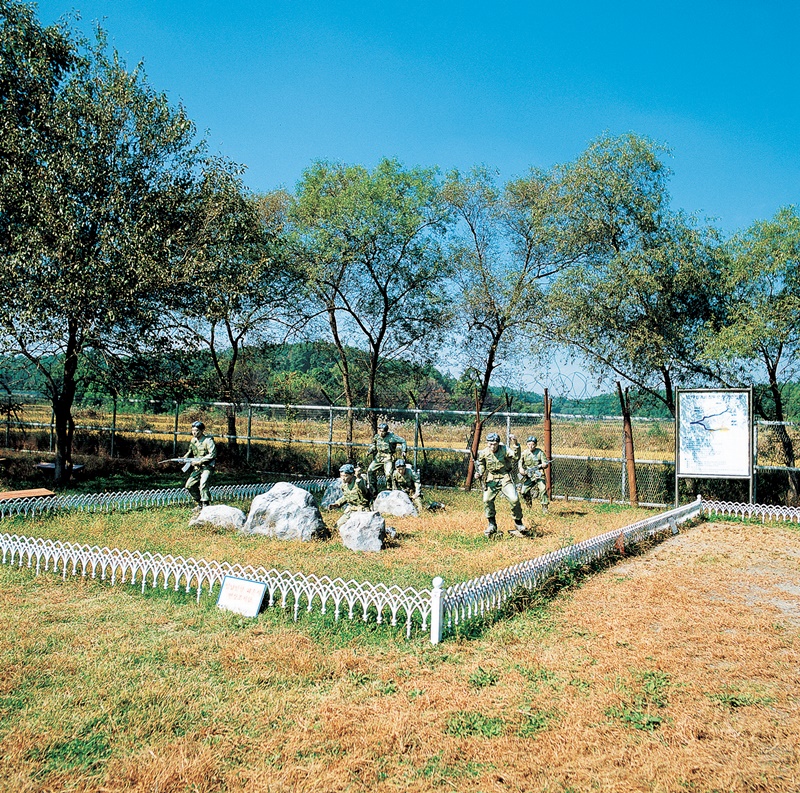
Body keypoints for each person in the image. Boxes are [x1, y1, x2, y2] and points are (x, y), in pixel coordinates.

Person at [475, 432, 527, 538]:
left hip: (504, 478)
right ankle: (492, 524)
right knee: (487, 500)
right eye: (490, 444)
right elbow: (481, 464)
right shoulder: (484, 452)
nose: (492, 446)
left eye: (495, 444)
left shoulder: (504, 449)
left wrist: (515, 443)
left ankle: (518, 523)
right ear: (487, 443)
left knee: (514, 499)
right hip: (491, 479)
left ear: (498, 443)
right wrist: (479, 472)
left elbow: (516, 457)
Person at [184, 420, 217, 513]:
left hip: (206, 467)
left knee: (203, 484)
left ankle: (205, 504)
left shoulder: (208, 441)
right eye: (193, 430)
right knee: (189, 485)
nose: (194, 432)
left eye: (197, 430)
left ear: (202, 431)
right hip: (197, 468)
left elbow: (212, 454)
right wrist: (184, 458)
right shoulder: (193, 441)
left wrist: (200, 462)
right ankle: (199, 503)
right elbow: (190, 451)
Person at [366, 422, 407, 496]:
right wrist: (369, 451)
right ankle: (373, 489)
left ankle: (389, 488)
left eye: (383, 431)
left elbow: (403, 441)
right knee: (370, 470)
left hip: (388, 457)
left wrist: (404, 451)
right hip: (379, 457)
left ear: (386, 431)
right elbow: (374, 446)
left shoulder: (392, 437)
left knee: (388, 474)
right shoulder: (376, 437)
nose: (381, 433)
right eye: (380, 431)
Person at [328, 463, 373, 527]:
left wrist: (358, 477)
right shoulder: (344, 485)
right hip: (351, 510)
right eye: (341, 476)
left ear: (352, 475)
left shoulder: (359, 482)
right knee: (336, 526)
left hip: (362, 511)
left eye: (345, 476)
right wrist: (337, 504)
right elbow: (346, 496)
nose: (343, 478)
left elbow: (363, 490)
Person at [518, 436, 550, 514]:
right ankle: (529, 505)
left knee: (542, 489)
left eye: (532, 444)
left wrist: (544, 465)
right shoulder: (524, 453)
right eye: (529, 444)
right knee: (523, 491)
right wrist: (521, 469)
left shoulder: (540, 453)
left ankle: (544, 507)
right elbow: (520, 462)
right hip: (529, 475)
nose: (531, 446)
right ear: (526, 444)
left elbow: (545, 463)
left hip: (539, 475)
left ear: (535, 445)